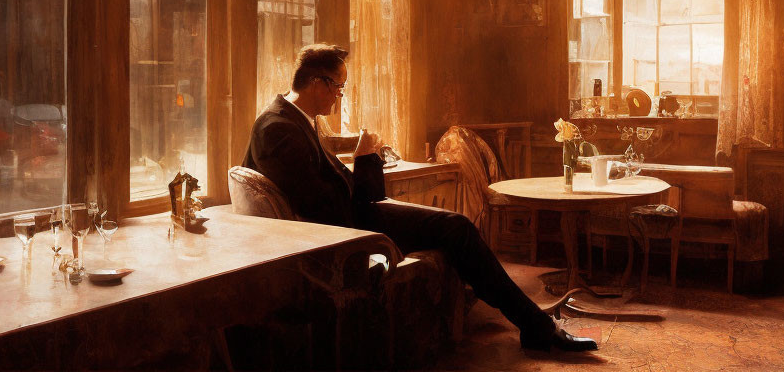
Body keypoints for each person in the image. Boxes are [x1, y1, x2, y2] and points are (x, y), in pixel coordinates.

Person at [243, 44, 598, 353]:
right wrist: (365, 155)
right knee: (457, 228)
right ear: (317, 83)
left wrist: (365, 157)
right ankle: (536, 327)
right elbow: (330, 211)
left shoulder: (296, 120)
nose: (340, 95)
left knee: (454, 226)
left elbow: (353, 194)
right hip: (338, 235)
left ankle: (532, 324)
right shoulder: (279, 129)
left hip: (348, 220)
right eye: (338, 87)